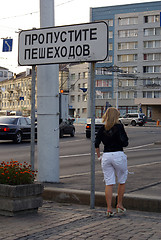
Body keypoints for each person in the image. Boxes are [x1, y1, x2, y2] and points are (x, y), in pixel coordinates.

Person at [95, 107, 129, 217]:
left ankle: (109, 208)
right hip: (118, 154)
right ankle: (119, 204)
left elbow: (96, 143)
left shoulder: (102, 128)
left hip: (106, 156)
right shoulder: (119, 127)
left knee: (109, 183)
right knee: (122, 180)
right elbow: (125, 143)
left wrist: (99, 156)